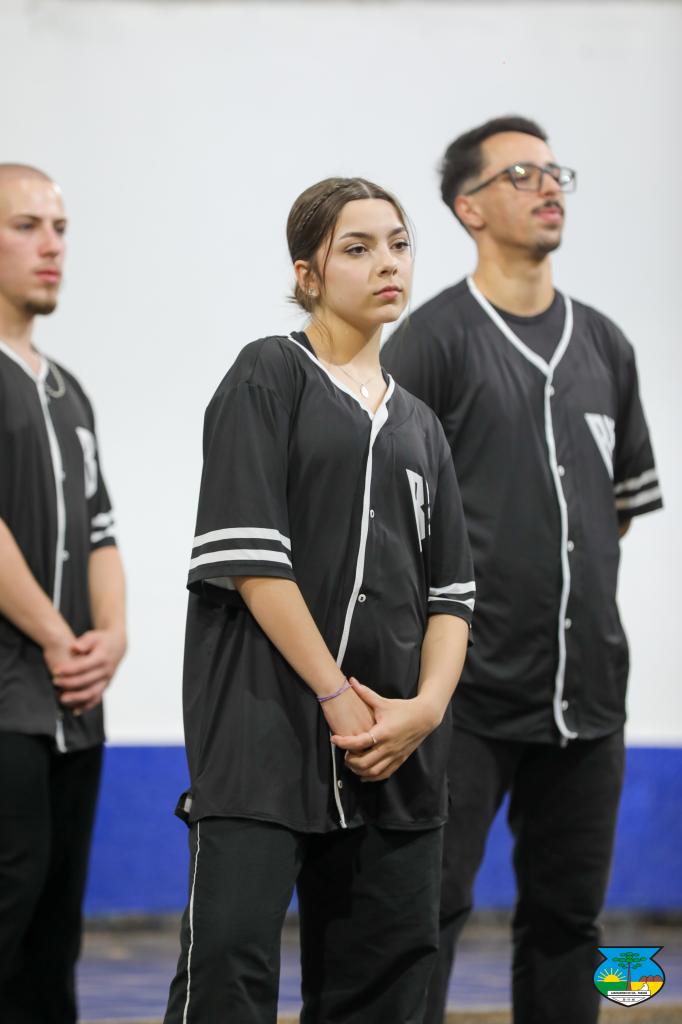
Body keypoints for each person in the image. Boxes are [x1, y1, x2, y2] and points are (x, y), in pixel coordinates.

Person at [163, 177, 475, 1024]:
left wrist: (424, 711)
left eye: (399, 245)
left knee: (384, 992)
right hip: (264, 742)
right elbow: (254, 563)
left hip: (395, 759)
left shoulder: (422, 427)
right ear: (307, 275)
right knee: (227, 977)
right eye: (358, 248)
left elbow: (452, 597)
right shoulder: (269, 375)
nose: (388, 263)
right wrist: (335, 694)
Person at [382, 116, 663, 1024]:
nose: (548, 186)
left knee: (570, 923)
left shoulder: (607, 346)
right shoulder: (429, 342)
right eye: (521, 174)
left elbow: (616, 510)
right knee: (428, 913)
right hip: (464, 697)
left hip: (589, 697)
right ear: (468, 207)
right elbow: (390, 522)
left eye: (554, 172)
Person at [0, 164, 127, 1023]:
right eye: (26, 226)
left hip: (73, 707)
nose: (51, 245)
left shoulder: (67, 389)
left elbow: (102, 529)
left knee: (54, 933)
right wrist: (54, 634)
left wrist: (112, 635)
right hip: (9, 698)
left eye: (60, 227)